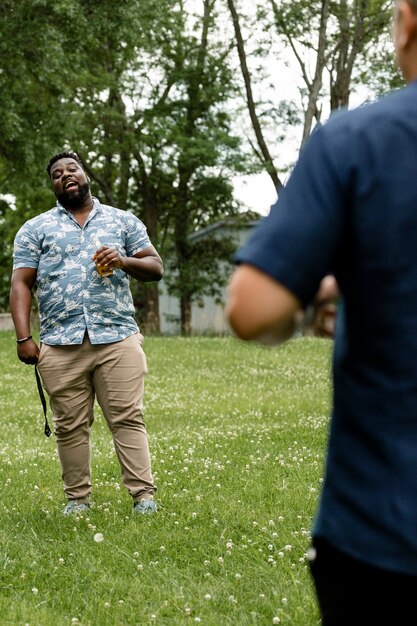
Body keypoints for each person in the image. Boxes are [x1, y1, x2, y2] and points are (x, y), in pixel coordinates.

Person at [226, 1, 417, 622]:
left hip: (385, 536)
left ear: (409, 18)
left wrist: (306, 292)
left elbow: (253, 309)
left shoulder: (359, 140)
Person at [10, 151, 164, 517]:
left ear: (85, 174)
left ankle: (143, 497)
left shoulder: (122, 221)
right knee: (69, 426)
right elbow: (20, 283)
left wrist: (123, 261)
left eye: (72, 169)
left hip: (117, 337)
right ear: (53, 185)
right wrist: (23, 336)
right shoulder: (35, 229)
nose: (66, 175)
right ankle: (77, 500)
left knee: (127, 417)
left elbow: (155, 267)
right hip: (61, 343)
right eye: (57, 174)